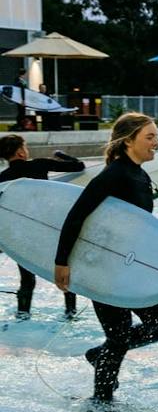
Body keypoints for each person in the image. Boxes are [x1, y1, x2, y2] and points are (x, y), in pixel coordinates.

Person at [52, 114, 158, 412]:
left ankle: (100, 355)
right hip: (105, 268)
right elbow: (76, 216)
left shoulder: (139, 174)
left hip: (130, 266)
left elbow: (141, 231)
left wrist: (156, 278)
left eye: (156, 136)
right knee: (118, 336)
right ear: (128, 140)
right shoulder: (114, 175)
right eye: (150, 137)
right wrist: (61, 262)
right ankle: (101, 402)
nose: (156, 142)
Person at [1, 134, 84, 319]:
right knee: (63, 270)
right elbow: (79, 166)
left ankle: (23, 314)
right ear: (21, 152)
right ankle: (70, 313)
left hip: (21, 235)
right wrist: (61, 155)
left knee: (27, 279)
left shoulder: (3, 178)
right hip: (48, 229)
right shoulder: (39, 164)